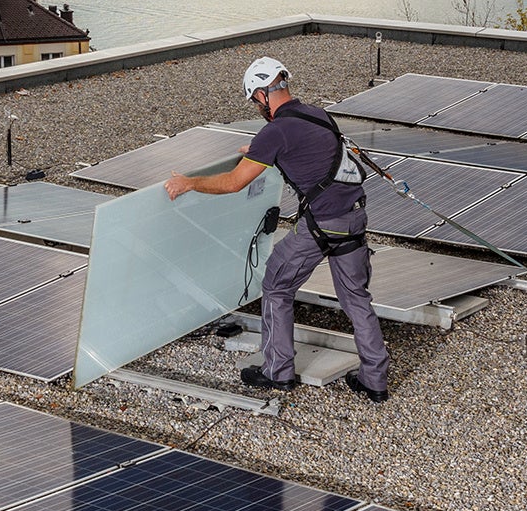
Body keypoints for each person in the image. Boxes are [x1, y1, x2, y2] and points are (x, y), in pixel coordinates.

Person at [164, 57, 388, 402]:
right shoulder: (318, 114)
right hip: (355, 218)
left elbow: (233, 183)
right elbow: (309, 152)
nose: (256, 106)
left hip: (321, 225)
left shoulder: (275, 132)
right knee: (356, 298)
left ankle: (278, 372)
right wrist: (259, 151)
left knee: (276, 287)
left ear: (260, 93)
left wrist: (190, 183)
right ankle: (375, 380)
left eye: (254, 100)